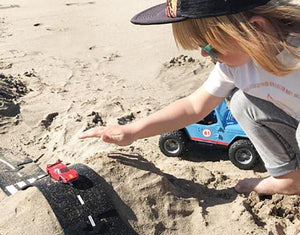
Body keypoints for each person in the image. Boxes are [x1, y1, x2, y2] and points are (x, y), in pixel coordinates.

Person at [79, 0, 300, 196]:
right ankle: (288, 179)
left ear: (254, 29)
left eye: (211, 48)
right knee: (242, 103)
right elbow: (194, 107)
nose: (205, 55)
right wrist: (133, 131)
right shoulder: (233, 66)